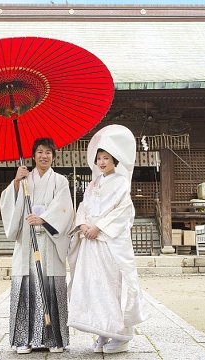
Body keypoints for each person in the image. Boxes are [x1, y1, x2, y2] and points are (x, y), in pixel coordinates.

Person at [67, 125, 147, 354]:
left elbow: (122, 210)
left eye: (106, 158)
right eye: (99, 158)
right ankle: (102, 330)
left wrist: (98, 227)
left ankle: (120, 336)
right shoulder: (93, 183)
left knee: (114, 286)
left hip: (110, 242)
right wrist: (82, 224)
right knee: (95, 286)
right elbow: (83, 206)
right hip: (92, 243)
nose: (101, 162)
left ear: (114, 160)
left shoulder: (121, 182)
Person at [0, 137, 75, 355]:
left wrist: (44, 219)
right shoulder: (24, 179)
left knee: (51, 287)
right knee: (26, 286)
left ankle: (55, 339)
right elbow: (8, 203)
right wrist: (16, 182)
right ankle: (24, 339)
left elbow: (65, 209)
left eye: (48, 152)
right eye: (40, 152)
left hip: (50, 241)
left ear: (53, 156)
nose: (44, 156)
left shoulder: (60, 181)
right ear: (33, 156)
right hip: (26, 239)